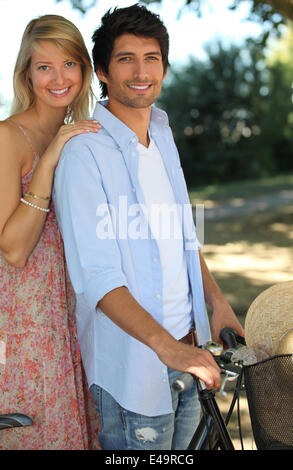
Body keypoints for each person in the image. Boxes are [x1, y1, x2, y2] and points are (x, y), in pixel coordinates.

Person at [53, 4, 244, 450]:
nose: (141, 72)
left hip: (189, 354)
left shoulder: (161, 130)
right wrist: (167, 348)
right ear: (101, 71)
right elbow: (98, 281)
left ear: (165, 66)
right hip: (133, 374)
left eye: (151, 58)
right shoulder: (84, 153)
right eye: (126, 59)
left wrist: (217, 303)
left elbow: (182, 234)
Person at [0, 15, 101, 449]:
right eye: (44, 67)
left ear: (84, 69)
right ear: (27, 73)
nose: (59, 78)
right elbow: (14, 249)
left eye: (69, 64)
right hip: (27, 327)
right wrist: (49, 158)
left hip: (75, 318)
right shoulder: (8, 137)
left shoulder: (78, 137)